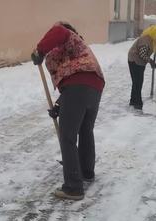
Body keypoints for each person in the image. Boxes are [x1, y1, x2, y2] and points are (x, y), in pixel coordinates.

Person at [31, 22, 105, 201]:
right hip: (94, 86)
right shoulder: (77, 49)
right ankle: (86, 172)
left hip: (78, 86)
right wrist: (59, 105)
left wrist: (40, 51)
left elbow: (58, 29)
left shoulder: (67, 35)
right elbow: (72, 82)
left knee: (68, 137)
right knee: (86, 131)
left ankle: (73, 187)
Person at [127, 24, 156, 110]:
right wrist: (151, 61)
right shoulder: (146, 40)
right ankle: (137, 102)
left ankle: (133, 101)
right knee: (138, 82)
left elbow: (145, 54)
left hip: (140, 62)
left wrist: (151, 62)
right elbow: (142, 54)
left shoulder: (153, 40)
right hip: (134, 60)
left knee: (137, 82)